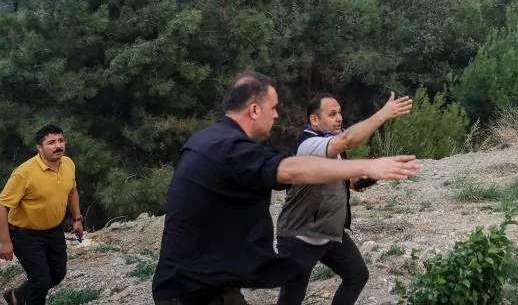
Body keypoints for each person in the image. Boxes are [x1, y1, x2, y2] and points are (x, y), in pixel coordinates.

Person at [151, 71, 419, 305]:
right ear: (255, 110)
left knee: (354, 275)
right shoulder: (230, 147)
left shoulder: (212, 140)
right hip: (189, 289)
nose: (277, 114)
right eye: (274, 107)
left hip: (207, 279)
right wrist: (368, 166)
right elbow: (293, 169)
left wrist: (356, 179)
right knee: (292, 294)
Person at [274, 91, 413, 305]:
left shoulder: (331, 143)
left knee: (357, 275)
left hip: (329, 234)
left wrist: (353, 181)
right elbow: (348, 140)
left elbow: (331, 172)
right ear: (314, 119)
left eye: (339, 112)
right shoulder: (309, 146)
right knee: (291, 299)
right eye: (331, 114)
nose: (339, 117)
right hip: (299, 238)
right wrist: (384, 114)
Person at [0, 125, 85, 305]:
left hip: (54, 231)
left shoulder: (68, 164)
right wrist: (5, 242)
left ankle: (18, 296)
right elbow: (0, 207)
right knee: (40, 281)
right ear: (39, 148)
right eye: (51, 142)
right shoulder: (24, 173)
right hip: (25, 234)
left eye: (60, 140)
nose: (58, 145)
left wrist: (77, 219)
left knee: (58, 274)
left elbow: (72, 191)